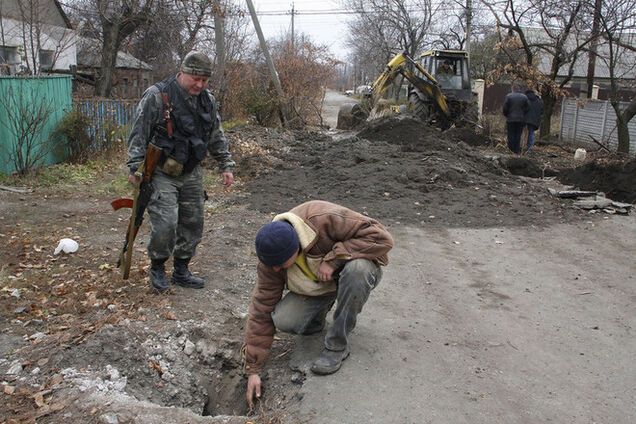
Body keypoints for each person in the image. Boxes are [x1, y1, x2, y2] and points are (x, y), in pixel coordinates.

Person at [242, 200, 394, 408]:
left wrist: (334, 260)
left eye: (280, 265)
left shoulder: (322, 218)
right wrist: (253, 369)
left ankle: (337, 345)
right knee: (284, 319)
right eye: (273, 266)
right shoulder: (272, 256)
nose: (276, 270)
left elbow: (381, 237)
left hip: (350, 273)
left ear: (294, 249)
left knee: (358, 270)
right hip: (317, 287)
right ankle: (318, 317)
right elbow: (262, 307)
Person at [126, 51, 235, 292]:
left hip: (192, 171)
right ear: (182, 72)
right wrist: (135, 167)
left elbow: (216, 134)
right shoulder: (158, 96)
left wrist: (226, 164)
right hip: (161, 171)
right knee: (165, 223)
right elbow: (138, 133)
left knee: (193, 222)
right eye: (195, 78)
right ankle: (157, 267)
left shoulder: (208, 100)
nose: (199, 84)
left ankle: (181, 269)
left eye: (204, 80)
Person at [502, 82, 529, 154]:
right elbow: (528, 108)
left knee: (511, 134)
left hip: (511, 119)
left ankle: (511, 149)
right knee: (518, 135)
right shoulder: (524, 97)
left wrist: (506, 115)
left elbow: (505, 108)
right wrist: (523, 114)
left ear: (512, 89)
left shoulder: (509, 96)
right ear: (519, 89)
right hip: (520, 119)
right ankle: (516, 150)